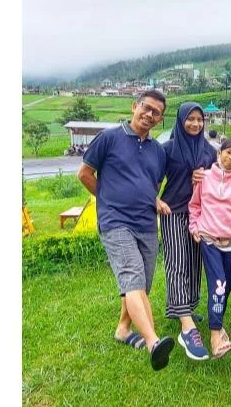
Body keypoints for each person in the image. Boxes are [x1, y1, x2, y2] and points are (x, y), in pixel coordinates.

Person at [77, 90, 175, 371]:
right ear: (135, 106)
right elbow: (84, 174)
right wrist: (106, 198)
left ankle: (123, 329)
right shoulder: (109, 138)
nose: (149, 114)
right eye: (146, 107)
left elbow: (152, 183)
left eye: (156, 112)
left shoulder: (158, 151)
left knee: (141, 284)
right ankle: (154, 342)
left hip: (145, 223)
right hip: (115, 222)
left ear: (160, 119)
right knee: (132, 278)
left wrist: (154, 200)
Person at [156, 102, 217, 361]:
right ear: (180, 121)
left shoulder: (209, 151)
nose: (195, 124)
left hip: (201, 214)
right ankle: (186, 327)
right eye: (190, 119)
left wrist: (205, 180)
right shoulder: (167, 149)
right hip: (174, 212)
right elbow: (153, 179)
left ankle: (187, 307)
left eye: (199, 119)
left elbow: (217, 181)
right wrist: (155, 200)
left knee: (194, 264)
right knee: (178, 262)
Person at [188, 138, 231, 359]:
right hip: (208, 239)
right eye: (228, 153)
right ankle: (215, 337)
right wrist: (194, 227)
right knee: (219, 284)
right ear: (219, 153)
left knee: (227, 284)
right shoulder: (203, 177)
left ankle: (218, 323)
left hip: (230, 243)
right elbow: (194, 205)